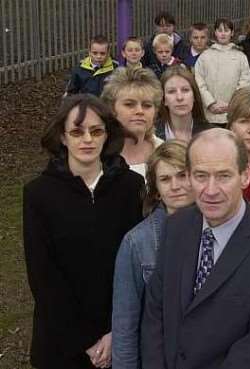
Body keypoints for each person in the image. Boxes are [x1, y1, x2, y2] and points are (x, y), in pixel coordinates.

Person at [142, 128, 250, 369]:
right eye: (200, 176)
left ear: (245, 175)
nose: (210, 190)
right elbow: (156, 313)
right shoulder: (176, 227)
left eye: (223, 176)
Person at [23, 94, 144, 369]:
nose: (87, 139)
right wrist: (87, 339)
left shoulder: (131, 187)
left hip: (119, 336)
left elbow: (136, 266)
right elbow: (42, 275)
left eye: (96, 130)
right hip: (60, 340)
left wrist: (117, 332)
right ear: (63, 138)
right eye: (77, 132)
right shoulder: (38, 194)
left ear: (107, 135)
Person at [112, 140, 194, 369]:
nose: (176, 186)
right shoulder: (137, 243)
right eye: (166, 179)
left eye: (182, 175)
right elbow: (125, 324)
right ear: (156, 191)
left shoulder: (221, 230)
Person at [101, 67, 164, 179]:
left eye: (147, 105)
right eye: (129, 104)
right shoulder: (97, 155)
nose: (140, 111)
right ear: (111, 109)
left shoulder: (164, 152)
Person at [195, 18, 250, 126]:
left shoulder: (240, 56)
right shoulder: (205, 56)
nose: (223, 34)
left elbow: (244, 82)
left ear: (232, 33)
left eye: (226, 30)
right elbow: (199, 82)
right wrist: (210, 103)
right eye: (220, 30)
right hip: (210, 114)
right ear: (215, 32)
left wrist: (231, 104)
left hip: (233, 114)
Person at [155, 65, 211, 142]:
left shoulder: (210, 134)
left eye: (185, 90)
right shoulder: (151, 134)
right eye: (171, 91)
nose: (179, 97)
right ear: (164, 100)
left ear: (194, 96)